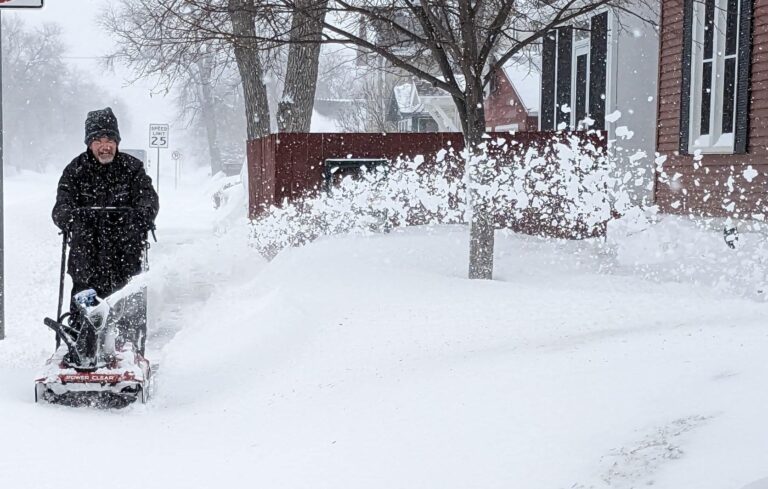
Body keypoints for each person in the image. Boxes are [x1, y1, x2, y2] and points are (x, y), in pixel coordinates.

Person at [52, 107, 159, 330]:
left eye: (110, 140)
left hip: (125, 245)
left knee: (128, 282)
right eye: (98, 140)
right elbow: (61, 205)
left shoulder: (132, 169)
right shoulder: (75, 170)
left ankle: (127, 332)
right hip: (87, 249)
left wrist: (141, 215)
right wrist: (69, 217)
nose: (105, 146)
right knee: (83, 274)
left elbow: (148, 200)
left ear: (117, 142)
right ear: (89, 143)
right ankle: (82, 328)